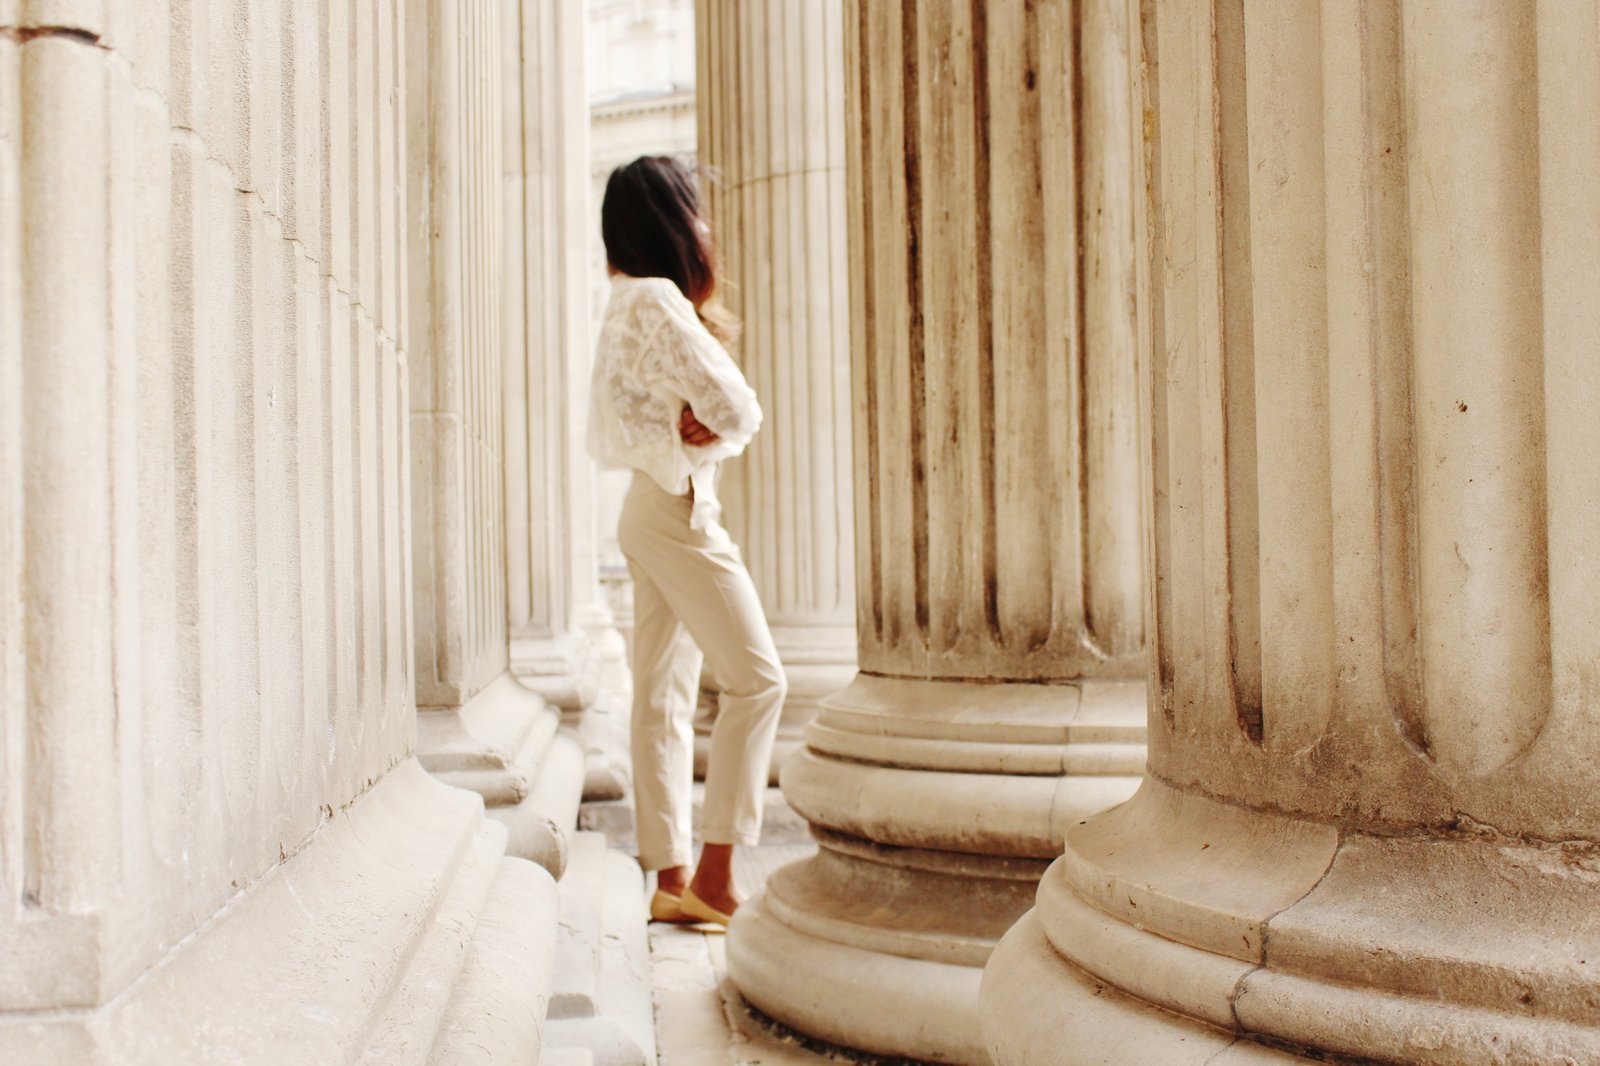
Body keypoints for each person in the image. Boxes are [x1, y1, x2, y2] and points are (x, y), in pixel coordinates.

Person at [586, 156, 787, 926]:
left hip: (649, 505)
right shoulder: (658, 299)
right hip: (677, 509)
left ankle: (671, 878)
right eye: (695, 213)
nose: (705, 228)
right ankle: (716, 874)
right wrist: (719, 418)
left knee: (662, 699)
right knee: (760, 681)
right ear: (669, 223)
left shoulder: (621, 301)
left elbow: (702, 414)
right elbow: (736, 406)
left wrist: (705, 419)